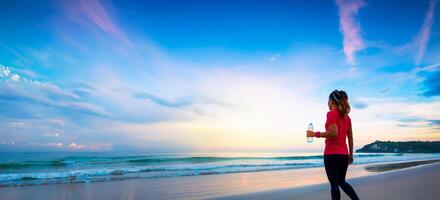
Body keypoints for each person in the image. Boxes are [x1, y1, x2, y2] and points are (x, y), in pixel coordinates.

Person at [307, 90, 360, 200]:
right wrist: (350, 154)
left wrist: (314, 134)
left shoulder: (331, 114)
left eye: (328, 100)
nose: (327, 103)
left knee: (334, 185)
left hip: (331, 154)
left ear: (331, 101)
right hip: (343, 154)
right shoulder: (347, 117)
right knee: (342, 182)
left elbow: (333, 133)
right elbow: (350, 137)